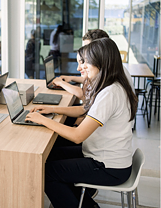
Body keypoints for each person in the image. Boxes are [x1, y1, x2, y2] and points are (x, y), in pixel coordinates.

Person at [25, 38, 138, 207]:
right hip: (104, 155)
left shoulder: (110, 92)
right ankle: (80, 201)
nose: (81, 68)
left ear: (101, 63)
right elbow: (85, 110)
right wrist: (52, 110)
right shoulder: (112, 85)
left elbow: (77, 136)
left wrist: (42, 120)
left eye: (86, 63)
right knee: (49, 155)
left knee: (46, 172)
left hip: (108, 167)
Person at [50, 29, 134, 100]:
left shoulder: (111, 84)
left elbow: (84, 95)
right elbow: (94, 80)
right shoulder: (111, 67)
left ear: (99, 48)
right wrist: (72, 78)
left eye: (88, 48)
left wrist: (61, 83)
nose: (85, 51)